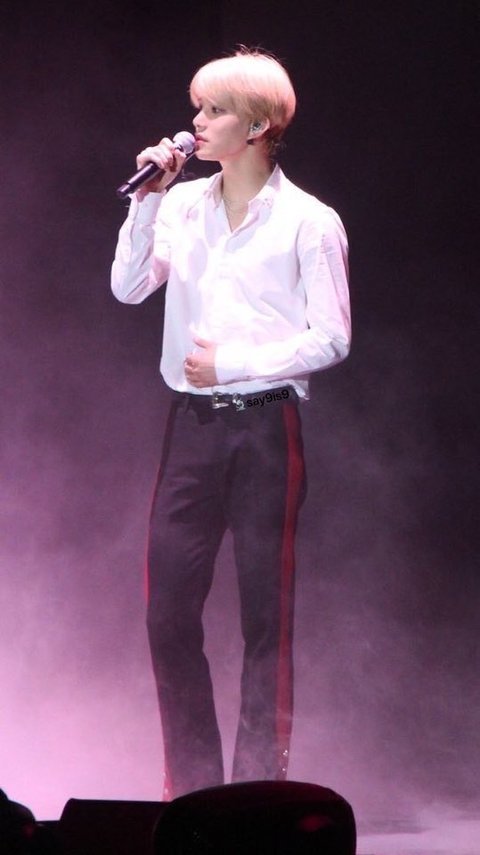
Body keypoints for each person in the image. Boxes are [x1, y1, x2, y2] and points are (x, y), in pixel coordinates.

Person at [111, 48, 350, 800]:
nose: (196, 122)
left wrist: (236, 364)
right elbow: (128, 287)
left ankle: (256, 795)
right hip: (191, 428)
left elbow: (332, 337)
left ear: (256, 126)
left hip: (267, 428)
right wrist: (146, 201)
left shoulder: (311, 222)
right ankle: (192, 792)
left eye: (213, 110)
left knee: (264, 619)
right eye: (198, 107)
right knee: (167, 613)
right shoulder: (181, 206)